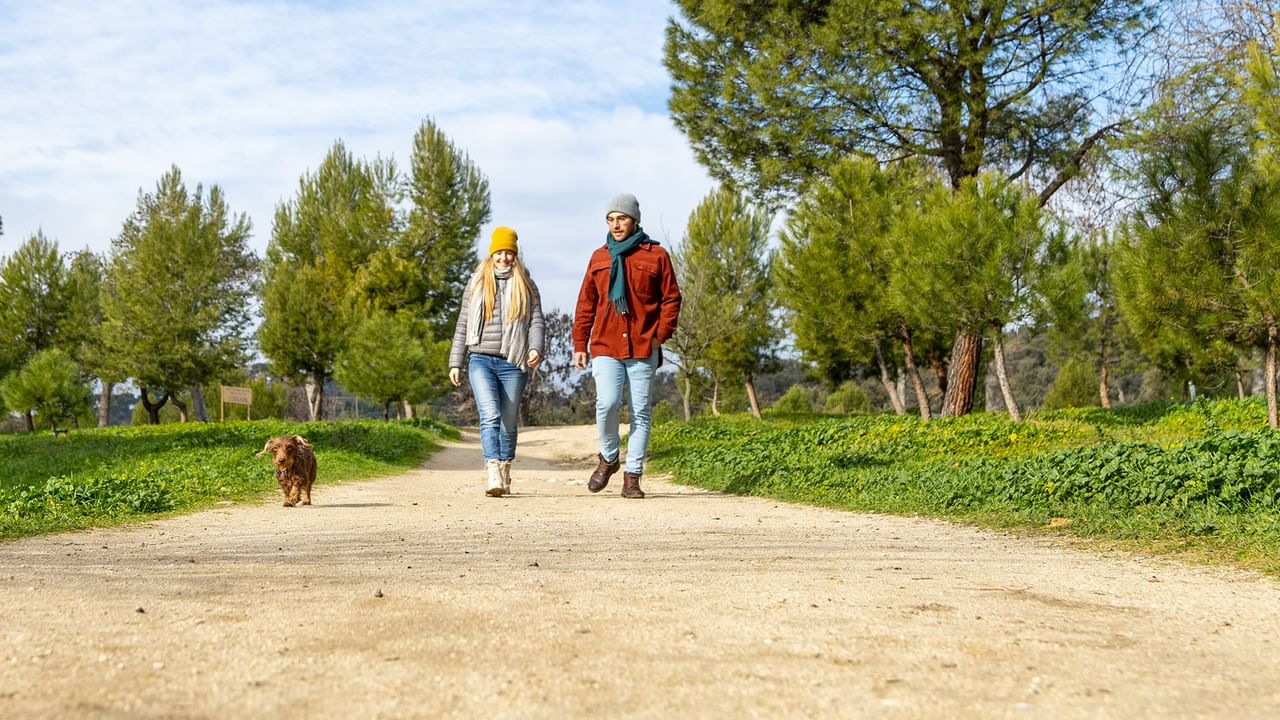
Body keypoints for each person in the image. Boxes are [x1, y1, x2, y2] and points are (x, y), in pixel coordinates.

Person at [573, 193, 681, 499]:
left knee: (641, 413)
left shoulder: (656, 255)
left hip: (643, 345)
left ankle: (633, 476)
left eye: (621, 218)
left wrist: (660, 335)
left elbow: (671, 298)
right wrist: (580, 343)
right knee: (606, 404)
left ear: (635, 220)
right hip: (605, 344)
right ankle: (608, 458)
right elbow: (586, 303)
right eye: (610, 219)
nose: (615, 224)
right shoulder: (599, 257)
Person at [450, 226, 545, 497]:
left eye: (509, 253)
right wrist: (455, 362)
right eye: (500, 252)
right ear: (492, 254)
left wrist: (536, 347)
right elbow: (463, 324)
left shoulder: (526, 283)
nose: (504, 258)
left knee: (508, 421)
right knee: (490, 414)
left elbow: (536, 321)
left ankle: (505, 467)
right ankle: (492, 469)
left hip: (514, 362)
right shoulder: (477, 282)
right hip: (480, 359)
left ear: (515, 255)